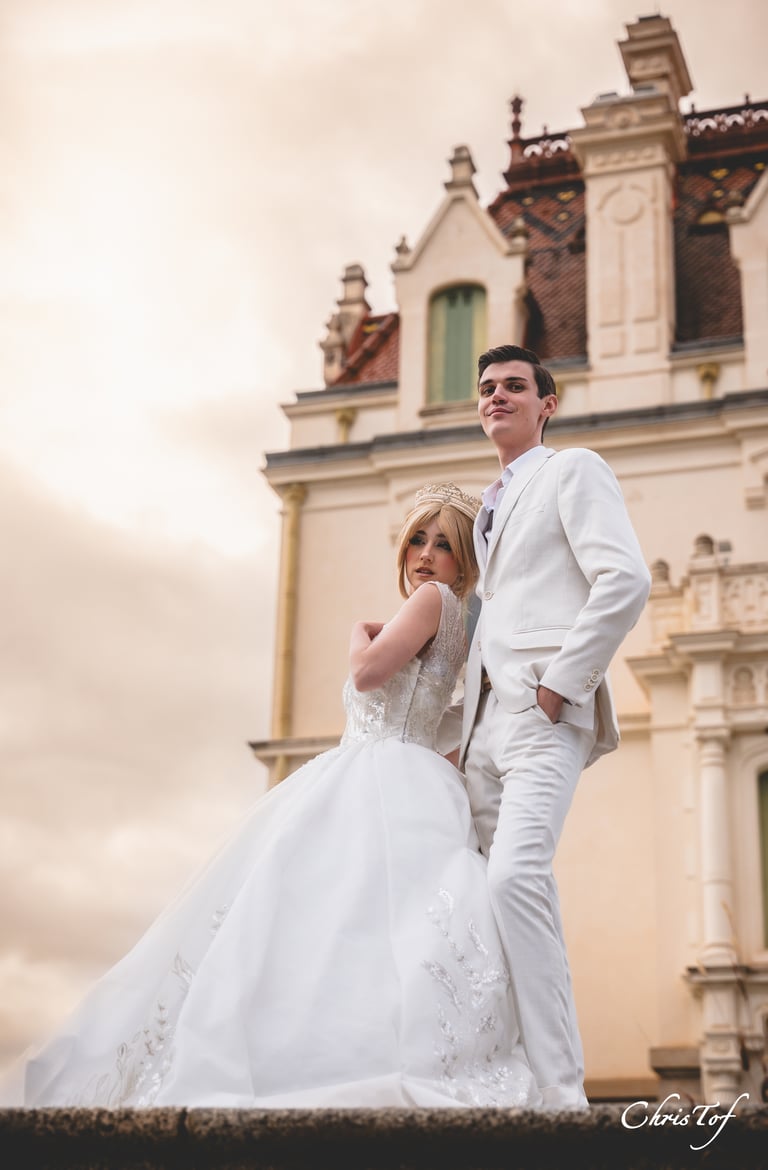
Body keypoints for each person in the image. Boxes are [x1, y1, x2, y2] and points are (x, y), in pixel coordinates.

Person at [10, 484, 541, 1110]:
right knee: (365, 925)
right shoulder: (459, 623)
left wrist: (356, 635)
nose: (426, 556)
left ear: (463, 563)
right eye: (418, 539)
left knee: (305, 913)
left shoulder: (430, 602)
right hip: (415, 771)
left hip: (374, 769)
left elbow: (368, 673)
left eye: (443, 544)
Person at [460, 344, 652, 1110]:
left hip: (545, 710)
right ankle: (500, 1076)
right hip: (486, 728)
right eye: (486, 389)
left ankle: (562, 1092)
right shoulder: (486, 507)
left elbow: (625, 578)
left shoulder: (573, 469)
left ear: (547, 404)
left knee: (516, 877)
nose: (496, 396)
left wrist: (559, 686)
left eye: (514, 386)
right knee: (480, 891)